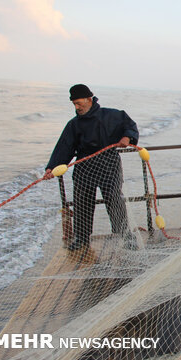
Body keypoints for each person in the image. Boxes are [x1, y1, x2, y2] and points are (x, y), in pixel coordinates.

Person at [44, 84, 140, 251]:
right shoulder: (73, 125)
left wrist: (127, 137)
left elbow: (130, 126)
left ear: (89, 99)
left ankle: (125, 236)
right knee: (82, 201)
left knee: (114, 199)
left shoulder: (112, 115)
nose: (77, 107)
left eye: (79, 103)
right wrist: (52, 167)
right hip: (84, 165)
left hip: (108, 162)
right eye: (74, 104)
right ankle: (81, 238)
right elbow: (64, 147)